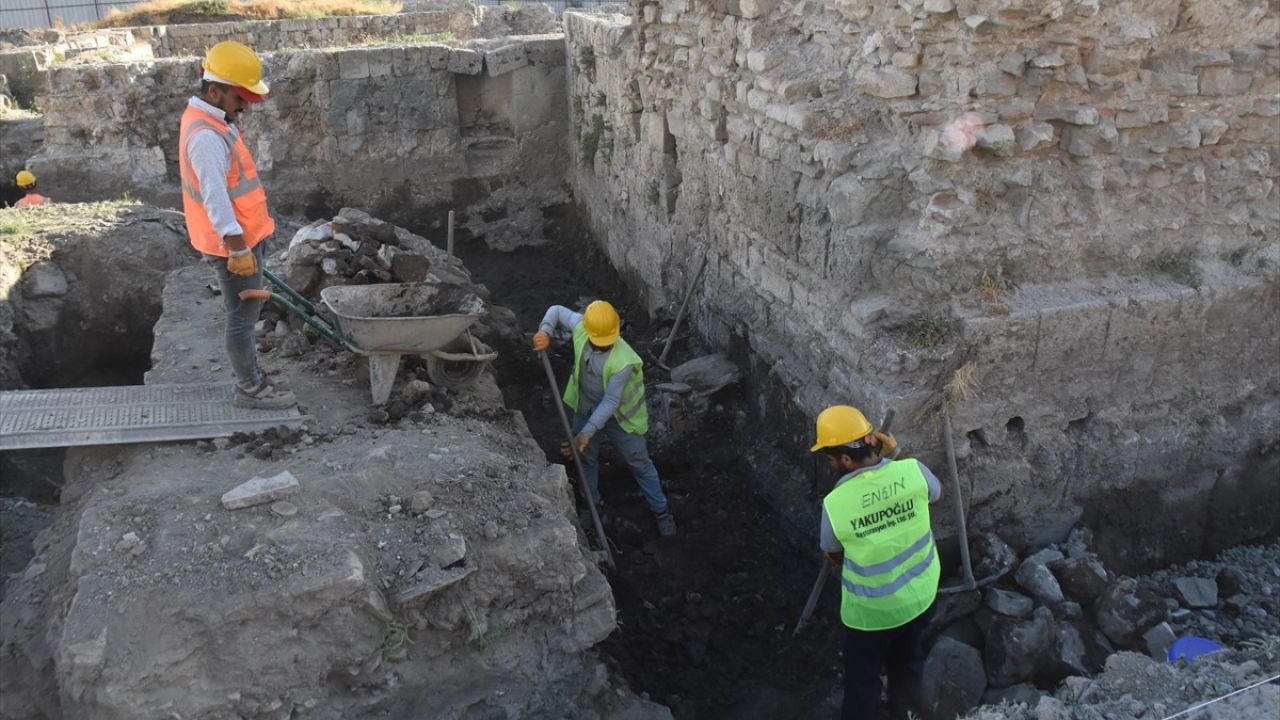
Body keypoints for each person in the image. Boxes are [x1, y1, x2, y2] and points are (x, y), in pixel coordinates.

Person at [179, 40, 295, 410]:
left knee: (244, 314)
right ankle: (251, 389)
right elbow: (215, 198)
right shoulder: (206, 138)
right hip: (234, 244)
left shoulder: (213, 119)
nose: (245, 105)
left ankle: (253, 377)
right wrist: (238, 248)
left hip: (244, 237)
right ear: (214, 90)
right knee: (242, 320)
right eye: (239, 97)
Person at [811, 405, 943, 720]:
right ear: (873, 440)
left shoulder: (836, 503)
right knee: (908, 662)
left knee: (862, 681)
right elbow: (935, 494)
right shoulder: (912, 470)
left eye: (830, 459)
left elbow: (831, 551)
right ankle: (905, 711)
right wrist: (896, 458)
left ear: (845, 459)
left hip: (872, 616)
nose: (830, 464)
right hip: (922, 598)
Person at [533, 300, 677, 537]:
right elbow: (557, 311)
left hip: (622, 418)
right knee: (586, 461)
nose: (605, 345)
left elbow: (611, 401)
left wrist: (586, 433)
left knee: (639, 462)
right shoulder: (582, 327)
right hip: (586, 408)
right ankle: (591, 508)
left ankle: (661, 511)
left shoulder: (624, 361)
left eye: (609, 342)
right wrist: (545, 330)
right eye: (601, 343)